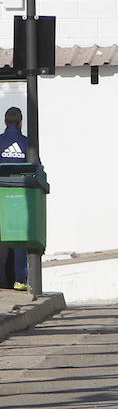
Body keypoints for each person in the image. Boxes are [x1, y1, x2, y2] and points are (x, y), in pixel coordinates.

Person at [0, 107, 28, 291]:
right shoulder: (27, 143)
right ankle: (20, 280)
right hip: (19, 197)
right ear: (21, 123)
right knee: (19, 236)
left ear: (4, 122)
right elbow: (36, 168)